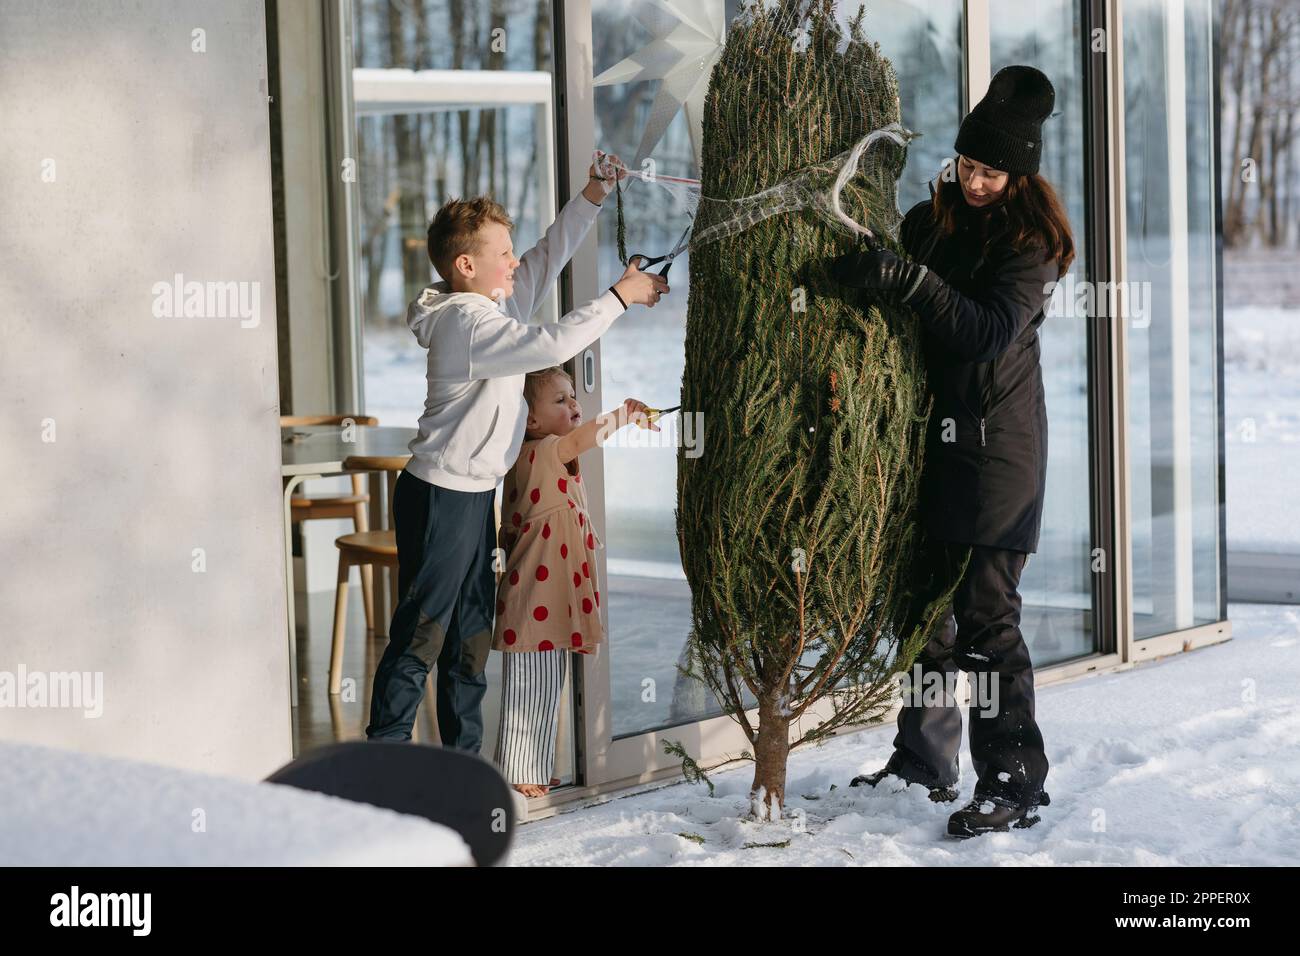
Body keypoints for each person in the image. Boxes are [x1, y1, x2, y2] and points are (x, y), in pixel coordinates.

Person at [828, 65, 1075, 837]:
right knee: (925, 614)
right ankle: (924, 764)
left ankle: (1009, 779)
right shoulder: (933, 220)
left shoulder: (1031, 244)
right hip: (933, 446)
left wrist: (907, 281)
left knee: (986, 621)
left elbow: (986, 330)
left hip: (997, 454)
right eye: (967, 165)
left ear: (1019, 173)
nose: (974, 181)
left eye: (990, 171)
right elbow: (903, 293)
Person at [366, 153, 670, 748]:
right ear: (465, 264)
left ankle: (462, 765)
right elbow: (550, 342)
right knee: (424, 635)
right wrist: (620, 297)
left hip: (474, 498)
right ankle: (385, 762)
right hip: (440, 499)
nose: (514, 260)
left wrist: (593, 193)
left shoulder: (492, 304)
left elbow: (547, 255)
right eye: (502, 253)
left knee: (472, 636)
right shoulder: (467, 326)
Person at [492, 366, 657, 798]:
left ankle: (529, 765)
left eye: (572, 397)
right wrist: (622, 416)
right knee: (532, 682)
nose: (573, 405)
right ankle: (519, 770)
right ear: (530, 420)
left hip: (546, 592)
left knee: (544, 683)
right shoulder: (545, 450)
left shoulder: (535, 456)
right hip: (538, 594)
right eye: (560, 400)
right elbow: (582, 438)